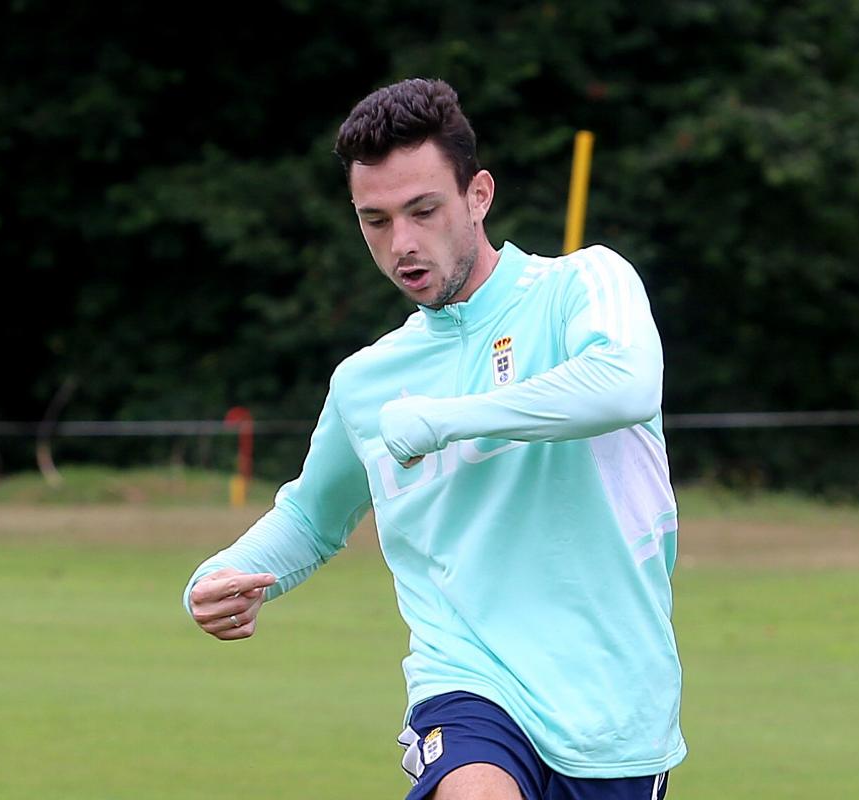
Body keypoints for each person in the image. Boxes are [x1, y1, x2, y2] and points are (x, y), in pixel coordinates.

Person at [183, 77, 685, 800]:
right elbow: (310, 518)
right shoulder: (366, 381)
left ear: (478, 196)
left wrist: (444, 418)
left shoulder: (585, 285)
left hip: (614, 708)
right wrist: (221, 575)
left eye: (423, 211)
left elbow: (625, 385)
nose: (403, 245)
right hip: (466, 684)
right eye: (376, 221)